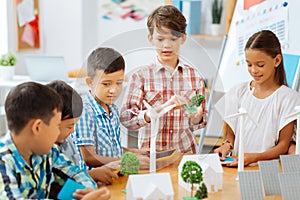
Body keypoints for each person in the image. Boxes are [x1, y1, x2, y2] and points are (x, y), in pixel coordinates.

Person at [120, 5, 207, 153]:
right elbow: (126, 118)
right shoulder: (140, 76)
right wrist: (150, 114)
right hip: (151, 158)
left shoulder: (195, 77)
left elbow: (200, 121)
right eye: (160, 39)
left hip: (185, 154)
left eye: (173, 38)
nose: (166, 45)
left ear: (183, 38)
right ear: (151, 39)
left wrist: (197, 117)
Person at [0, 82, 103, 199]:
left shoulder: (49, 152)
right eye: (57, 125)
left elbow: (78, 174)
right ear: (37, 127)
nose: (58, 133)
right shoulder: (3, 163)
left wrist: (87, 190)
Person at [214, 30, 300, 166]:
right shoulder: (237, 92)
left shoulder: (289, 98)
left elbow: (283, 146)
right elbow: (231, 135)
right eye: (249, 64)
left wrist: (254, 157)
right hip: (237, 167)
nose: (253, 70)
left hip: (269, 170)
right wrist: (226, 146)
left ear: (277, 60)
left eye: (260, 65)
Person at [73, 47, 149, 169]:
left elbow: (112, 149)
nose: (113, 90)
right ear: (90, 82)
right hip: (94, 182)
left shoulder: (112, 108)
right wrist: (128, 162)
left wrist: (133, 152)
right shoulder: (85, 111)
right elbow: (89, 158)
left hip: (113, 175)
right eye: (106, 84)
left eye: (118, 83)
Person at [47, 80, 118, 185]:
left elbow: (74, 173)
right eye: (69, 126)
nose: (73, 131)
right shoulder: (45, 150)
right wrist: (92, 175)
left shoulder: (67, 141)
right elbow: (58, 186)